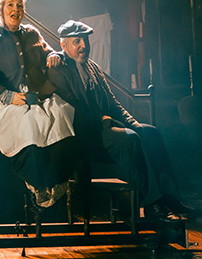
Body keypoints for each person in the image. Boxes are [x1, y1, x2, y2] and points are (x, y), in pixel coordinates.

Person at [46, 20, 190, 222]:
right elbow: (74, 107)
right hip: (85, 135)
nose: (83, 46)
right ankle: (153, 204)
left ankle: (170, 197)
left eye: (85, 40)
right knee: (130, 139)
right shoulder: (58, 68)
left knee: (150, 132)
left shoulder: (92, 67)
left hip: (105, 127)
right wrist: (108, 121)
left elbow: (113, 103)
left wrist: (133, 123)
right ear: (64, 45)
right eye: (77, 41)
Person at [0, 0, 79, 208]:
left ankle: (57, 181)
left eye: (20, 6)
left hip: (39, 97)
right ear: (0, 10)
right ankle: (38, 184)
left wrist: (54, 55)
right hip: (12, 102)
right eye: (10, 5)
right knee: (28, 127)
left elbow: (48, 52)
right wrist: (4, 94)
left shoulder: (32, 34)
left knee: (61, 117)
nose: (15, 9)